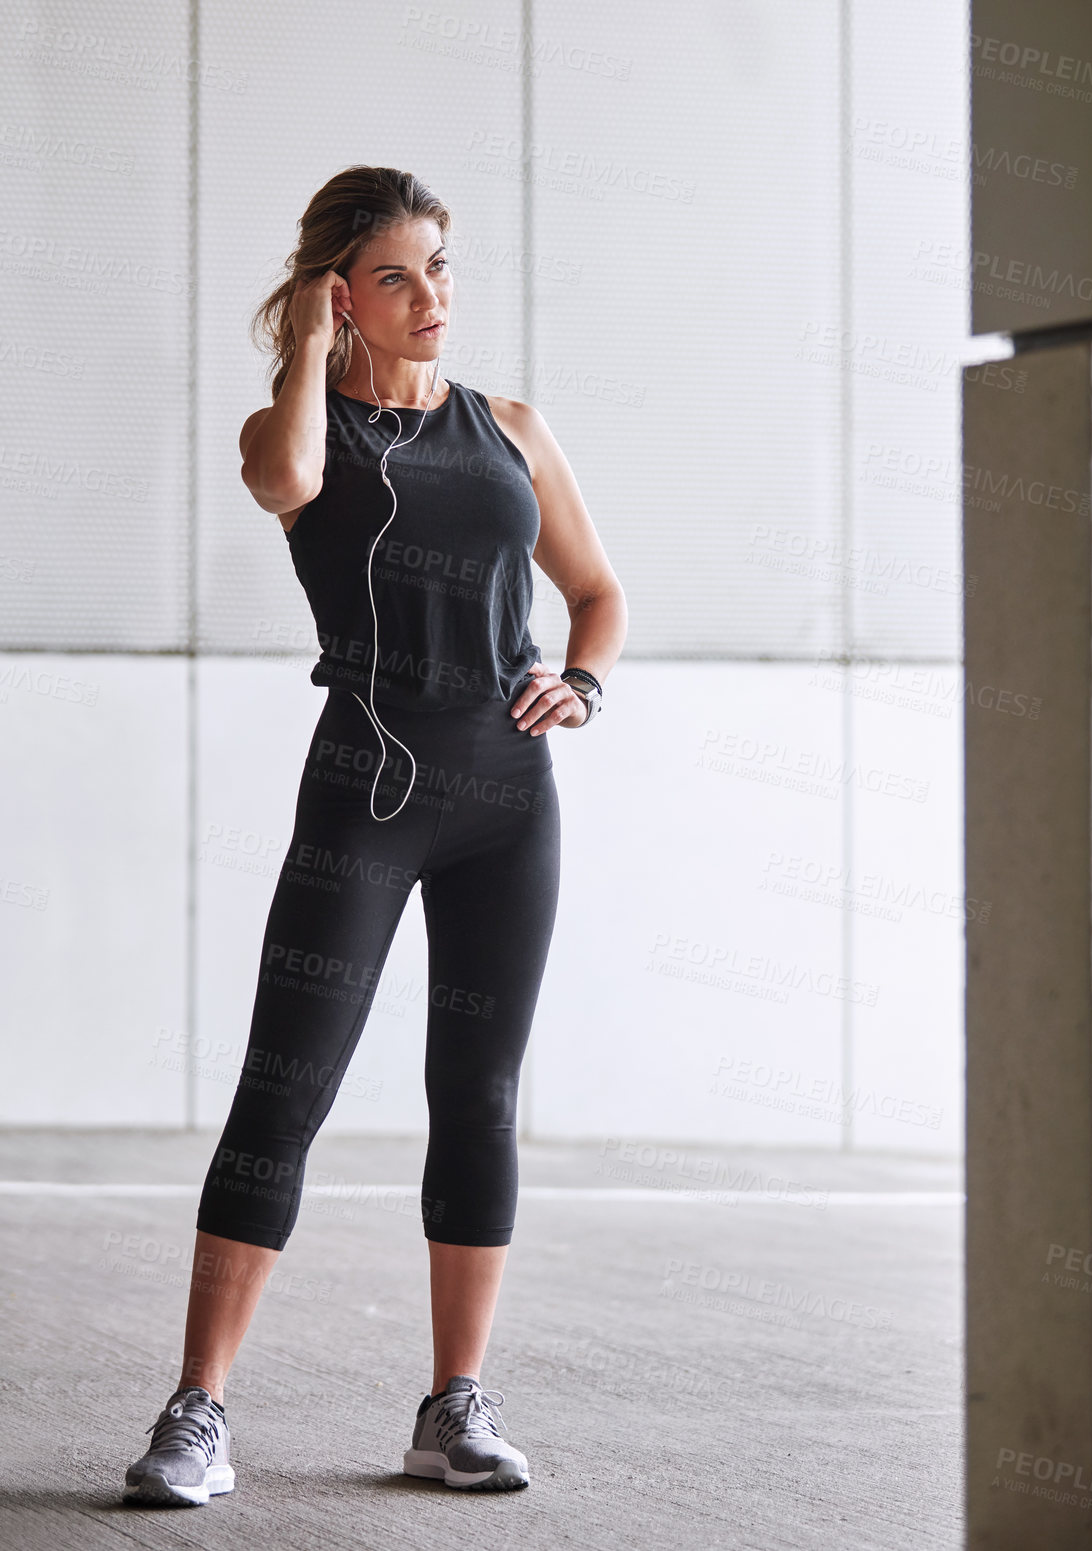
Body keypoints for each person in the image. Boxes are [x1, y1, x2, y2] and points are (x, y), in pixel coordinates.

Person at [121, 165, 628, 1507]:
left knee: (479, 1098)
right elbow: (284, 479)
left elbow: (598, 592)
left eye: (442, 270)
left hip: (507, 803)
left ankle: (454, 1404)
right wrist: (304, 342)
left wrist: (582, 681)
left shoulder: (511, 428)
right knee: (282, 1094)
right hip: (364, 793)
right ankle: (197, 1409)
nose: (434, 299)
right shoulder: (295, 432)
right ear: (343, 293)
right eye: (399, 275)